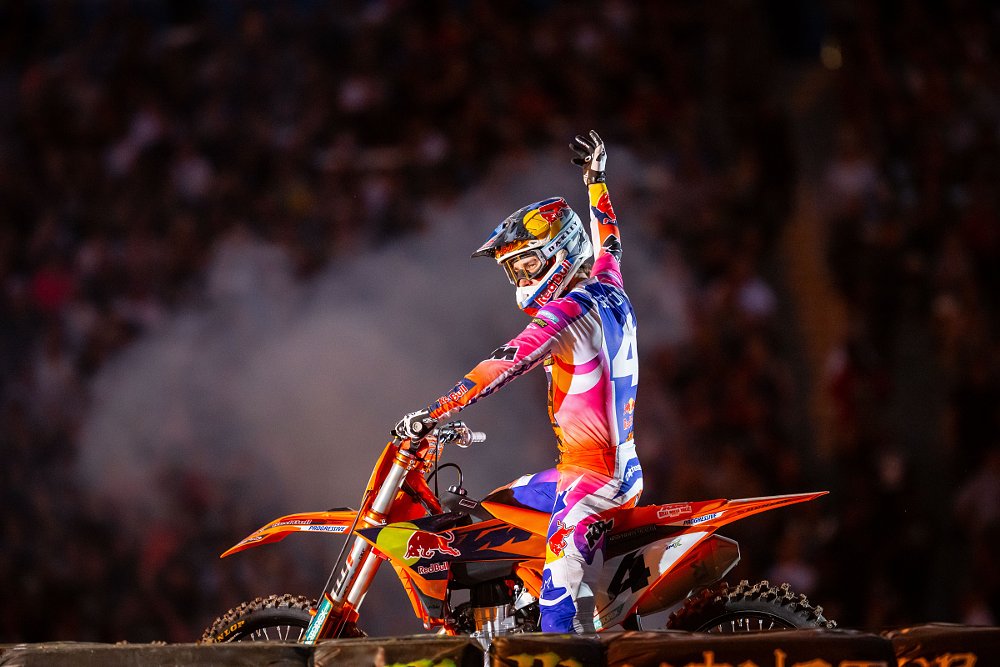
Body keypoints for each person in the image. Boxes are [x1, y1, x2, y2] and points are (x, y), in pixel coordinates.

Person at [394, 130, 642, 633]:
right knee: (495, 511)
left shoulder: (568, 313)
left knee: (556, 618)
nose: (522, 277)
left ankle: (552, 624)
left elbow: (503, 364)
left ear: (560, 252)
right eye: (513, 269)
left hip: (595, 484)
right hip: (589, 470)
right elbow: (608, 237)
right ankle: (513, 608)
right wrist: (595, 178)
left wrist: (435, 410)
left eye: (526, 262)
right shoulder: (606, 282)